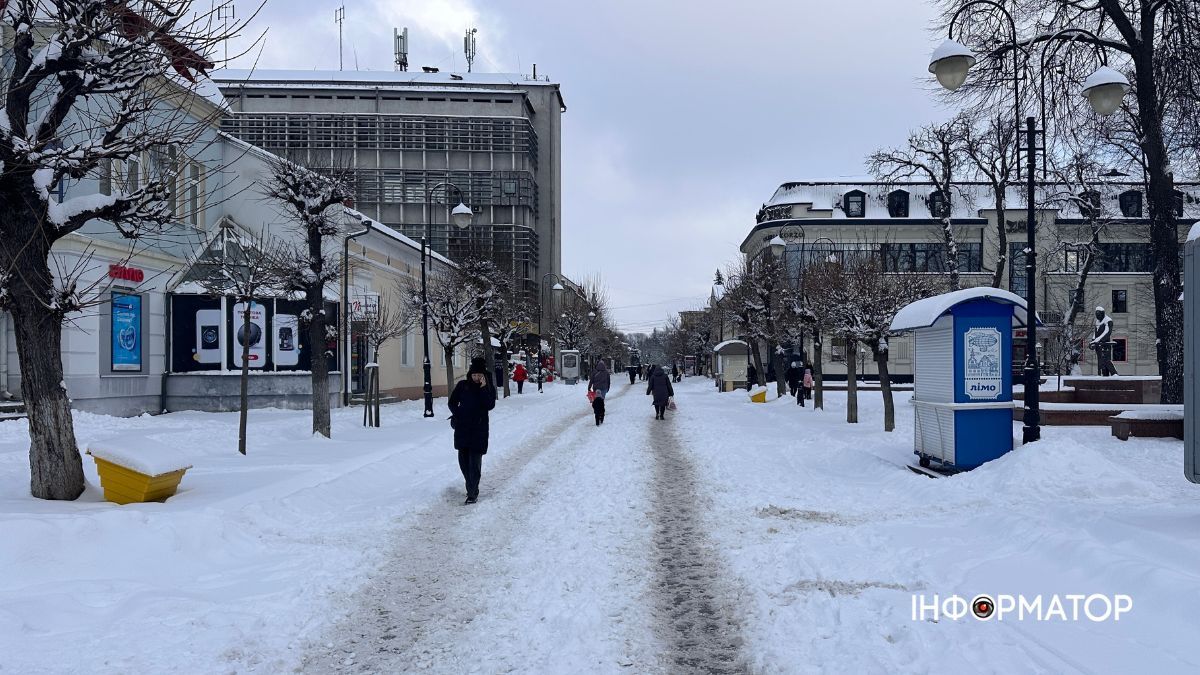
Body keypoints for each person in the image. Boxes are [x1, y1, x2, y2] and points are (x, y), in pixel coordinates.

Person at [449, 358, 497, 504]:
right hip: (463, 428)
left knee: (474, 464)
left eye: (479, 375)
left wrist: (483, 388)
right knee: (463, 463)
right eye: (474, 374)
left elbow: (489, 405)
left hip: (479, 429)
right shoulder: (463, 385)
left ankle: (472, 493)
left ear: (484, 375)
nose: (476, 377)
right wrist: (458, 414)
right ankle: (470, 485)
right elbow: (452, 402)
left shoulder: (488, 388)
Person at [589, 359, 611, 425]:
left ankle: (597, 411)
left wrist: (589, 387)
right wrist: (608, 388)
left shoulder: (595, 372)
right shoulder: (606, 372)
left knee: (596, 401)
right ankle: (601, 412)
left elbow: (591, 380)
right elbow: (608, 381)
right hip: (604, 388)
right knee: (601, 401)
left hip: (596, 388)